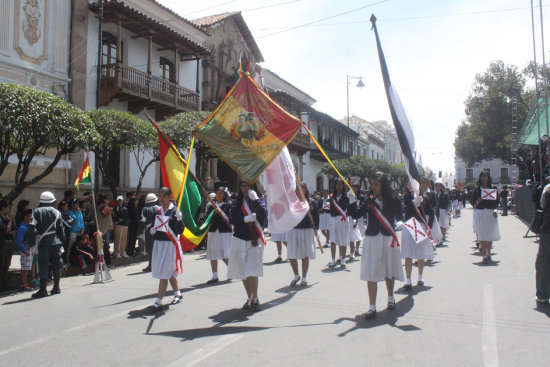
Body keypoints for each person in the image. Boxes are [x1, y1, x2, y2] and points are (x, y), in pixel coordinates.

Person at [359, 172, 404, 319]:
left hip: (387, 238)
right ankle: (372, 307)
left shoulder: (393, 200)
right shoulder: (369, 200)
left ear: (383, 185)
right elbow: (356, 214)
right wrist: (353, 202)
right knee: (371, 271)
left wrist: (399, 223)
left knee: (388, 269)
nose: (373, 187)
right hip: (372, 238)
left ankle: (391, 298)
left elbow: (400, 217)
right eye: (372, 185)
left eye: (376, 184)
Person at [227, 181, 267, 310]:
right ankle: (249, 297)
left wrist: (255, 201)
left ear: (253, 187)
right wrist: (244, 219)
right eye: (243, 185)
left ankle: (255, 297)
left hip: (254, 240)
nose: (245, 188)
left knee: (252, 269)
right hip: (239, 238)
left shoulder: (259, 201)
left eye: (248, 186)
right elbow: (231, 219)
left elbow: (264, 216)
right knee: (243, 271)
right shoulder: (236, 202)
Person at [149, 187, 184, 311]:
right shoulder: (156, 211)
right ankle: (178, 293)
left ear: (169, 196)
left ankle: (158, 301)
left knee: (164, 273)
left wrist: (179, 220)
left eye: (163, 196)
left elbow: (180, 231)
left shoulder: (175, 211)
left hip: (170, 245)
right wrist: (152, 230)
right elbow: (154, 226)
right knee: (167, 272)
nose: (161, 199)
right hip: (159, 244)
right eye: (160, 196)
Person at [401, 179, 435, 290]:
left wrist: (428, 226)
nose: (410, 185)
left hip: (419, 226)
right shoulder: (404, 197)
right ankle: (408, 280)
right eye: (408, 183)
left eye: (412, 183)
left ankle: (420, 277)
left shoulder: (424, 198)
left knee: (420, 254)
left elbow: (431, 213)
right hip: (409, 225)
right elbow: (403, 209)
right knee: (408, 254)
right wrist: (413, 203)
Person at [31, 191, 65, 298]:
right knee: (56, 264)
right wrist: (62, 242)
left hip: (44, 242)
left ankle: (43, 289)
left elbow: (31, 227)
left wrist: (31, 242)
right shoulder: (57, 212)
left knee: (43, 265)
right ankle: (56, 287)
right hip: (56, 242)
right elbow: (60, 229)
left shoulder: (36, 212)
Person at [287, 183, 319, 287]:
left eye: (301, 189)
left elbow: (316, 217)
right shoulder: (292, 203)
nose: (299, 191)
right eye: (297, 189)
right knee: (291, 254)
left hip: (306, 230)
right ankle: (296, 275)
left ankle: (304, 278)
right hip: (294, 230)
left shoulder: (312, 202)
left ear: (305, 190)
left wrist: (316, 230)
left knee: (305, 255)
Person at [470, 171, 501, 264]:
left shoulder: (493, 189)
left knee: (489, 234)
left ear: (488, 178)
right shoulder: (476, 189)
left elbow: (496, 202)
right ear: (480, 178)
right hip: (480, 213)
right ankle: (484, 255)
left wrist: (495, 211)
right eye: (482, 176)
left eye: (486, 176)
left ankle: (489, 253)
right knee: (482, 235)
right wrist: (477, 202)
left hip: (490, 213)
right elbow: (472, 201)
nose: (484, 178)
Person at [205, 187, 232, 284]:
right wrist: (213, 214)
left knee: (225, 254)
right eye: (217, 193)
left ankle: (232, 271)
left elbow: (230, 218)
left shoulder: (228, 205)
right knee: (213, 254)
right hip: (213, 231)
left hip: (224, 232)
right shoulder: (211, 206)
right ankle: (215, 276)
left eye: (220, 193)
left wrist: (220, 212)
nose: (218, 195)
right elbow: (206, 218)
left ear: (224, 195)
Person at [328, 179, 353, 269]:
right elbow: (329, 209)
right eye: (337, 185)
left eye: (340, 185)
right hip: (333, 219)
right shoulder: (331, 197)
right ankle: (333, 260)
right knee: (333, 241)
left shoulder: (347, 197)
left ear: (343, 186)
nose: (339, 186)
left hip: (342, 220)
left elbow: (349, 209)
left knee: (343, 239)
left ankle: (342, 260)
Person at [15, 209, 36, 291]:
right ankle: (23, 284)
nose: (31, 218)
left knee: (27, 268)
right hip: (26, 250)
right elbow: (18, 241)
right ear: (25, 217)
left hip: (30, 250)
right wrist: (24, 250)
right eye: (30, 216)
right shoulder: (22, 228)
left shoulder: (28, 227)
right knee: (25, 269)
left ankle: (25, 283)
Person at [536, 182, 550, 305]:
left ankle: (543, 294)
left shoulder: (547, 189)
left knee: (544, 263)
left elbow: (542, 204)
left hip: (548, 230)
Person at [139, 193, 159, 272]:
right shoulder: (159, 208)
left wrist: (140, 232)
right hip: (158, 230)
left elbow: (143, 222)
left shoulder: (145, 209)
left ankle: (151, 265)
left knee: (150, 248)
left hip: (149, 230)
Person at [0, 200, 16, 291]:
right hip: (3, 244)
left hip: (10, 242)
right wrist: (10, 220)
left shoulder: (7, 217)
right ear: (3, 207)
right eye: (8, 208)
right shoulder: (2, 219)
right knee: (1, 265)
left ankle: (5, 283)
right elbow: (6, 230)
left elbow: (13, 230)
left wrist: (10, 230)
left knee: (7, 264)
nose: (10, 210)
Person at [347, 184, 364, 260]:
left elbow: (362, 207)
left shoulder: (361, 197)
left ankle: (356, 249)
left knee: (360, 235)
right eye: (353, 188)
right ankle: (352, 250)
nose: (354, 189)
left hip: (360, 217)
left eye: (355, 188)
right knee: (353, 234)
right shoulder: (350, 197)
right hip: (353, 217)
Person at [67, 198, 85, 264]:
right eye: (76, 204)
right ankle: (67, 260)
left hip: (79, 231)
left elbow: (81, 220)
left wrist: (82, 228)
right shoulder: (69, 212)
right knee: (70, 246)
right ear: (72, 205)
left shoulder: (79, 212)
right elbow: (74, 219)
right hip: (73, 231)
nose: (77, 205)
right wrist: (77, 212)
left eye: (78, 203)